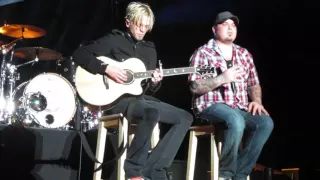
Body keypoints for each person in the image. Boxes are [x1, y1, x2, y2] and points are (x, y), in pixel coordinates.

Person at [72, 2, 193, 180]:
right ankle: (133, 170)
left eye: (146, 26)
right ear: (128, 22)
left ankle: (155, 168)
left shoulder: (149, 49)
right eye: (139, 25)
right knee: (150, 113)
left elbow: (148, 91)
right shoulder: (113, 40)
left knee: (185, 117)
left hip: (140, 100)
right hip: (115, 101)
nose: (142, 30)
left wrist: (154, 82)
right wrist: (106, 68)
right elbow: (79, 54)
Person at [188, 11, 274, 180]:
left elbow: (253, 83)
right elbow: (194, 86)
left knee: (265, 122)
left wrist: (257, 101)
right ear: (214, 29)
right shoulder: (203, 53)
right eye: (225, 24)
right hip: (210, 106)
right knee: (235, 120)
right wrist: (222, 78)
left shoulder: (244, 54)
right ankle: (225, 175)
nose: (230, 28)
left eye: (233, 25)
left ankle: (240, 175)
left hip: (239, 107)